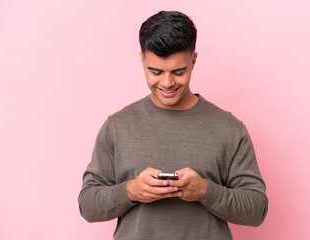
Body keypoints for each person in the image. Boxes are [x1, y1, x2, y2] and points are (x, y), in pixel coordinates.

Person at [78, 10, 268, 240]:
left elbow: (257, 210)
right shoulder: (117, 126)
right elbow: (87, 206)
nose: (167, 83)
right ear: (142, 59)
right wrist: (131, 191)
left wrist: (205, 191)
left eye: (179, 72)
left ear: (194, 61)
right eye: (155, 72)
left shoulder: (229, 128)